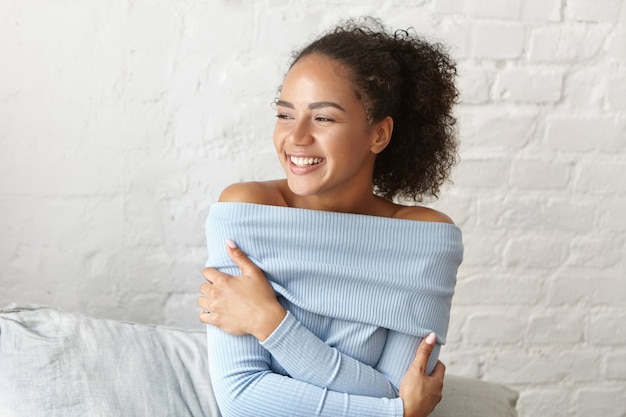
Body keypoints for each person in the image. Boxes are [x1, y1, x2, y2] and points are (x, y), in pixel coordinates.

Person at [197, 17, 462, 417]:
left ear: (379, 134)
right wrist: (395, 414)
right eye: (286, 114)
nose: (296, 137)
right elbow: (243, 397)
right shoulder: (247, 211)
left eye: (323, 118)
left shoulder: (424, 238)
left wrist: (268, 321)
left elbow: (395, 388)